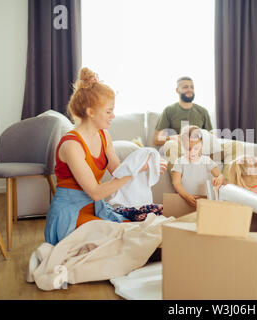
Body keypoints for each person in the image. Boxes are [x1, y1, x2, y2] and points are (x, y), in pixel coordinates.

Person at [44, 67, 167, 245]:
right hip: (70, 213)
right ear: (90, 112)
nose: (113, 116)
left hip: (97, 209)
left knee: (138, 230)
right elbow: (95, 192)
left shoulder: (104, 136)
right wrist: (136, 169)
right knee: (121, 238)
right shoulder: (71, 145)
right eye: (108, 111)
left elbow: (118, 171)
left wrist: (145, 165)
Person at [171, 125, 224, 207]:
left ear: (201, 145)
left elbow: (220, 175)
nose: (192, 152)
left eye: (196, 148)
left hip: (203, 200)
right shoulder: (179, 162)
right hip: (185, 199)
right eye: (188, 149)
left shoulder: (206, 160)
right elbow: (176, 183)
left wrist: (220, 178)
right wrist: (186, 196)